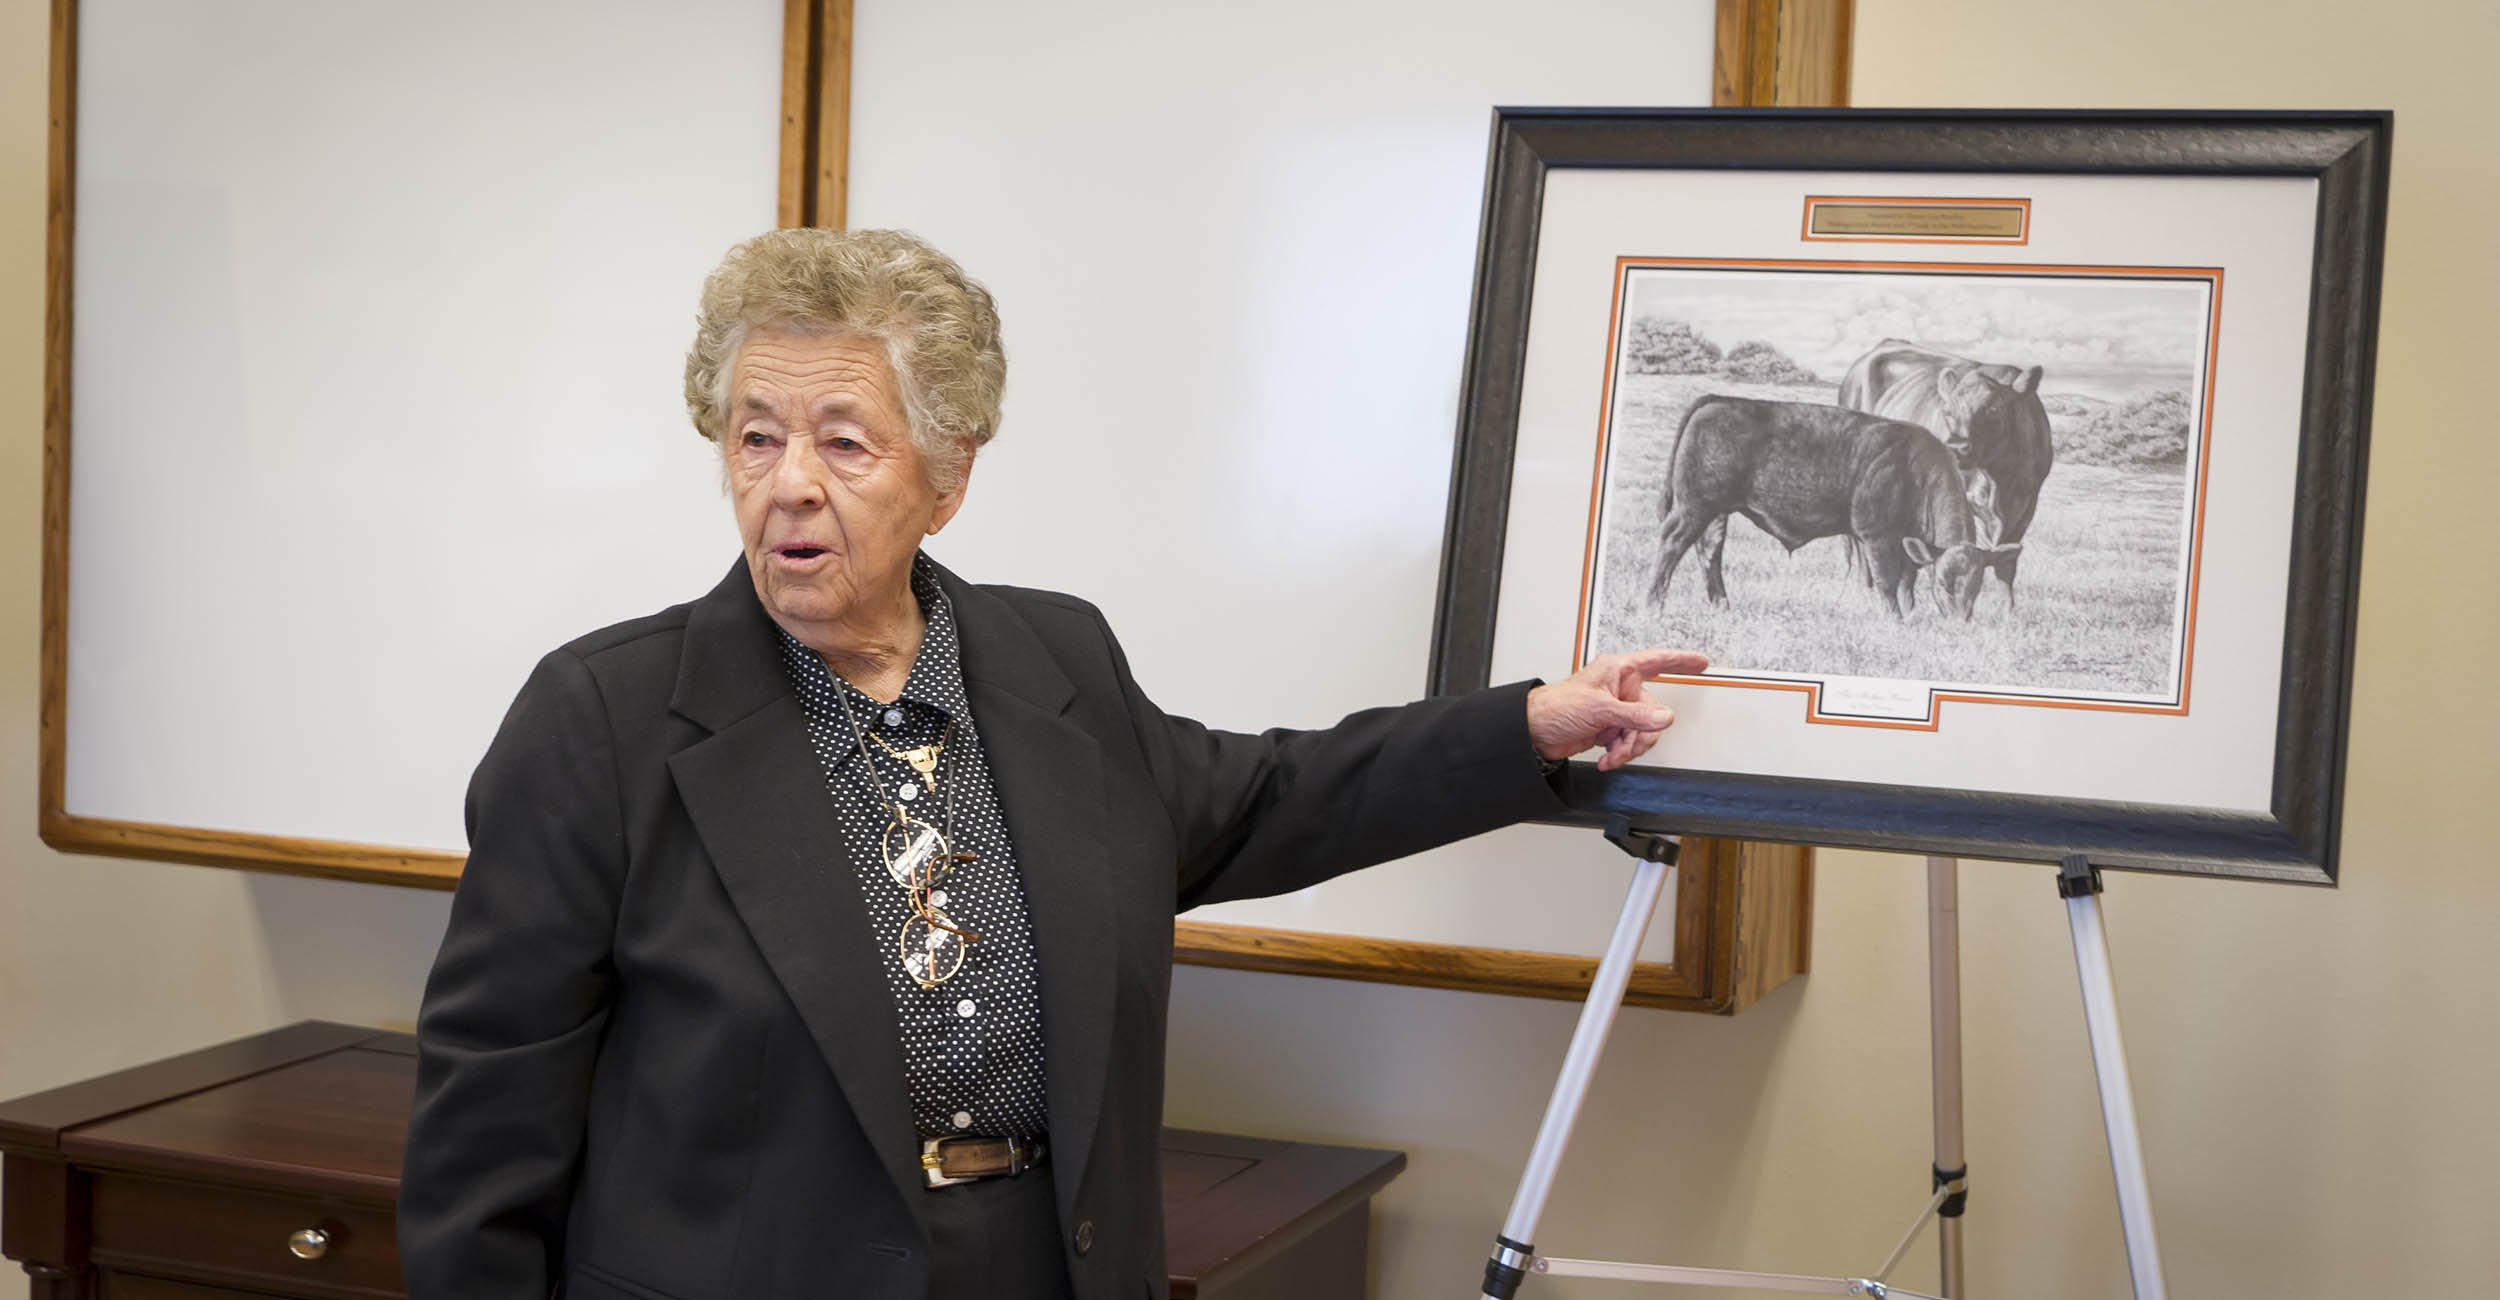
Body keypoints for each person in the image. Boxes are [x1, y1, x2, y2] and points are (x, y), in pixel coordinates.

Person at [398, 227, 1706, 1300]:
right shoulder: (604, 721)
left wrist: (1525, 724)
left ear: (949, 474)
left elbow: (1267, 799)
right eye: (754, 436)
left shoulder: (1049, 659)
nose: (787, 485)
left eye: (843, 442)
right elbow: (483, 1139)